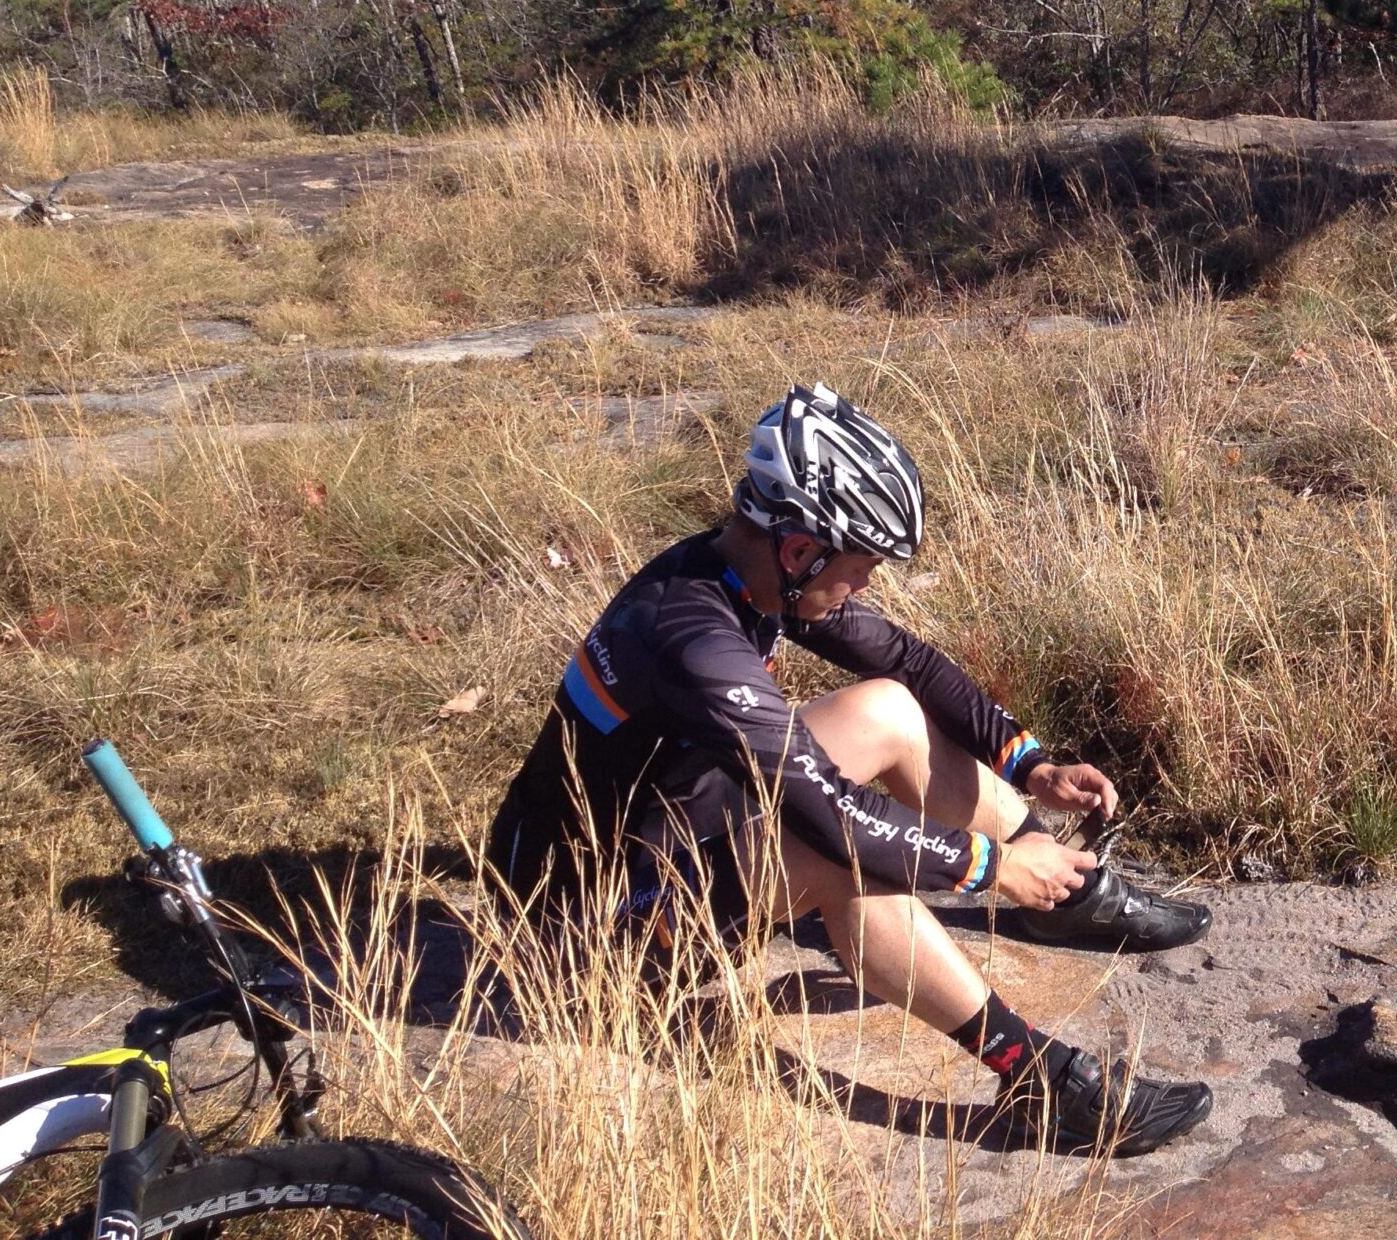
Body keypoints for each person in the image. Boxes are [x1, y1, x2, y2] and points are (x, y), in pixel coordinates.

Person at [483, 382, 1216, 1156]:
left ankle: (1060, 892)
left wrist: (1029, 763)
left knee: (888, 709)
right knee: (842, 857)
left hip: (657, 825)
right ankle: (1040, 1080)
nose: (867, 586)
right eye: (863, 567)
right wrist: (992, 867)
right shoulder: (691, 639)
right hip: (582, 942)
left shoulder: (738, 568)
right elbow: (828, 810)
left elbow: (904, 660)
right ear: (800, 549)